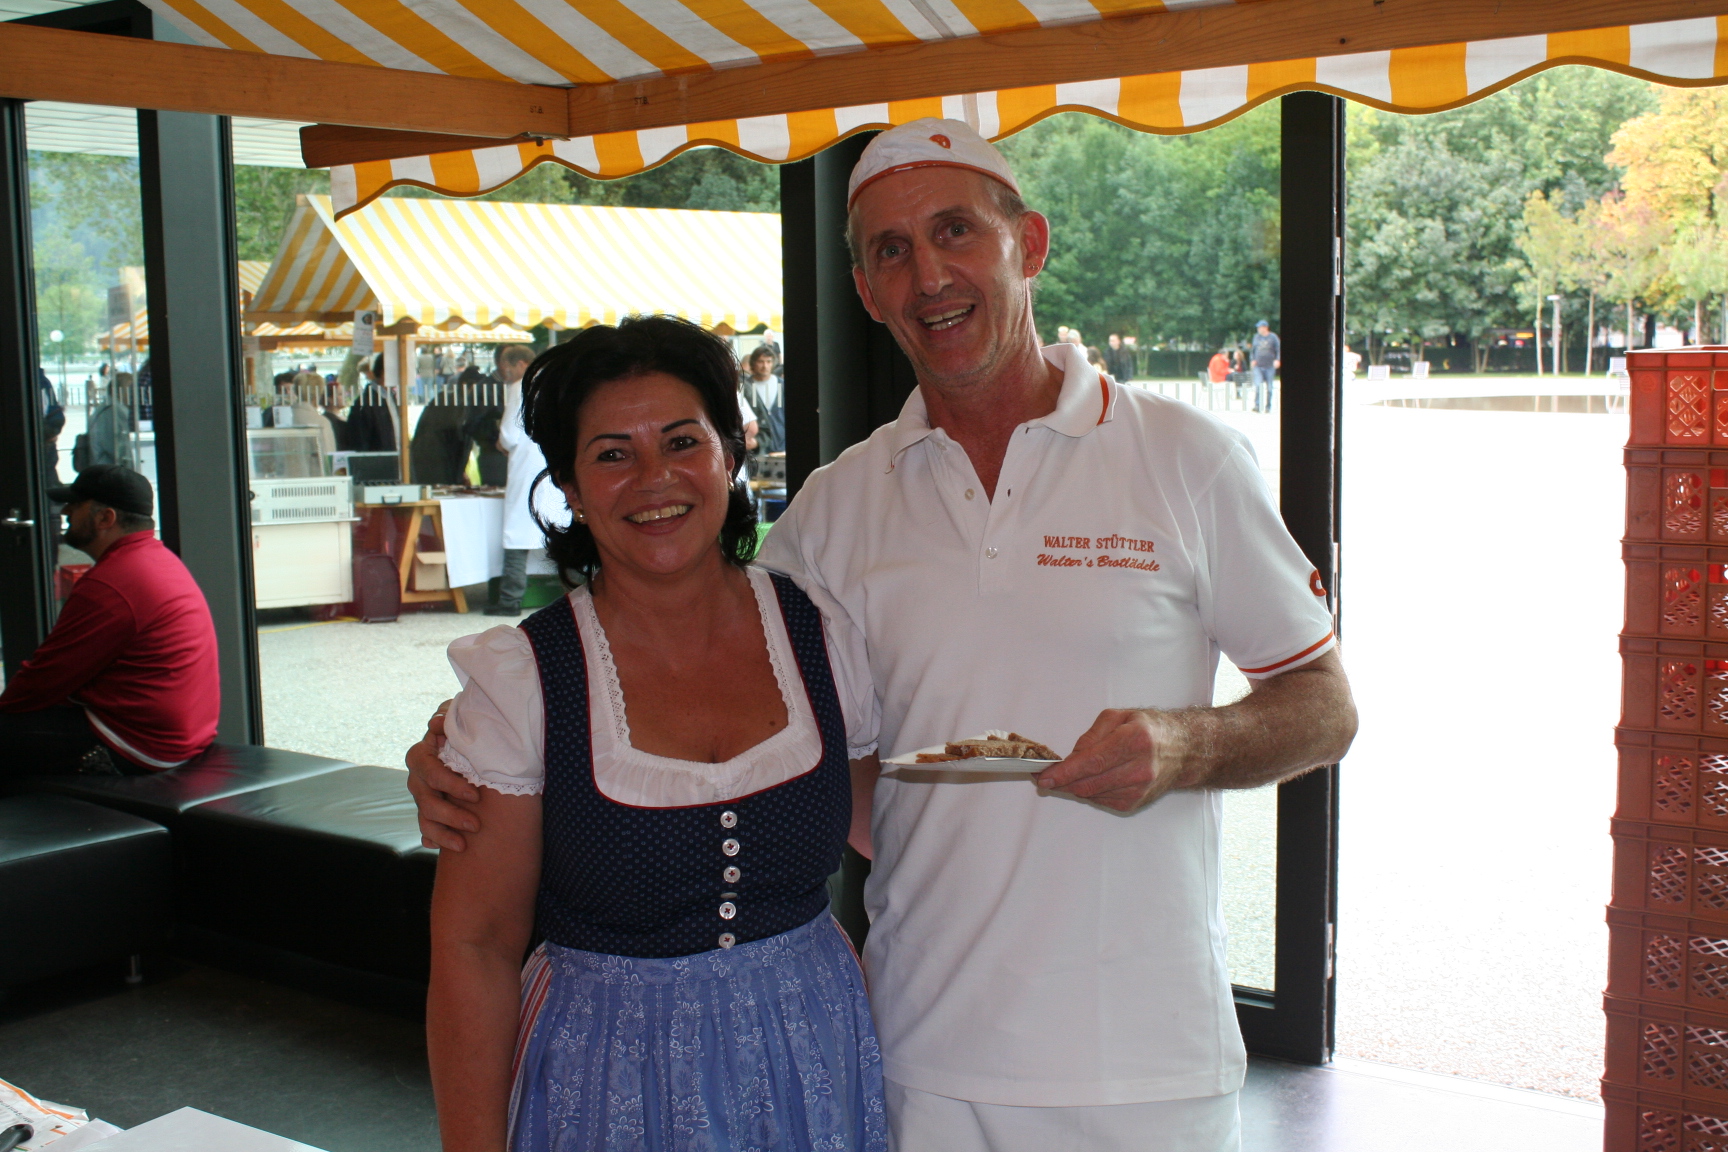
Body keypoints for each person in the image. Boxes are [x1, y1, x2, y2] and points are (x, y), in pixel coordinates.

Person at [409, 119, 1357, 1152]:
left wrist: (1187, 745)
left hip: (1146, 1059)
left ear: (1029, 243)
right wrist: (468, 752)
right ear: (865, 291)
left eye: (956, 230)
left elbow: (1324, 708)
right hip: (915, 1058)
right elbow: (689, 644)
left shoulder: (1186, 458)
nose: (929, 276)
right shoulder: (838, 508)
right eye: (891, 251)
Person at [423, 316, 885, 1152]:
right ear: (569, 486)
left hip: (813, 1055)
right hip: (605, 1081)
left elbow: (890, 824)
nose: (653, 478)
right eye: (611, 454)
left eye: (681, 441)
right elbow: (475, 947)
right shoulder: (523, 680)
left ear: (729, 453)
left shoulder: (820, 631)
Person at [0, 466, 219, 775]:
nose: (65, 511)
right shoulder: (158, 559)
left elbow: (43, 679)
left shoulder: (111, 583)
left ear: (105, 518)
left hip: (138, 746)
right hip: (180, 737)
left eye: (75, 505)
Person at [488, 344, 561, 616]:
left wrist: (501, 442)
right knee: (559, 529)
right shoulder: (555, 385)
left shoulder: (520, 387)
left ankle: (510, 599)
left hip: (526, 466)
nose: (506, 376)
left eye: (507, 370)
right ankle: (580, 594)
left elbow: (509, 434)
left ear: (520, 364)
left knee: (517, 532)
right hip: (553, 463)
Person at [344, 353, 397, 453]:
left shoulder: (392, 398)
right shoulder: (365, 403)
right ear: (385, 373)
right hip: (378, 460)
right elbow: (360, 444)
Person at [740, 344, 784, 455]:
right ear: (753, 363)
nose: (765, 366)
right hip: (757, 448)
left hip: (781, 445)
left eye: (769, 362)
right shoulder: (746, 387)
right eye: (761, 362)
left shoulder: (781, 385)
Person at [1251, 319, 1281, 413]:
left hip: (1269, 366)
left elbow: (1278, 349)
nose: (1258, 329)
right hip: (1258, 366)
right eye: (1258, 328)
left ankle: (1268, 406)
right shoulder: (1256, 337)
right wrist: (1252, 359)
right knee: (1258, 385)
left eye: (1260, 327)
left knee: (1269, 387)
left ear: (1265, 328)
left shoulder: (1273, 337)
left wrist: (1277, 359)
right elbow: (1253, 350)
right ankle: (1257, 405)